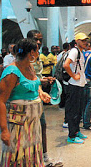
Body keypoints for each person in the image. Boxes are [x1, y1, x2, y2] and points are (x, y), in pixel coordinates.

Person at [0, 38, 51, 166]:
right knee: (17, 156)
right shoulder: (12, 72)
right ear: (31, 52)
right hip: (18, 124)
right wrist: (4, 130)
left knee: (32, 154)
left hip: (33, 123)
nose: (38, 54)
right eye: (37, 51)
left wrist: (41, 93)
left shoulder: (30, 67)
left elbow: (34, 83)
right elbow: (0, 101)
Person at [26, 30, 61, 167]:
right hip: (27, 99)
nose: (39, 42)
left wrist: (43, 80)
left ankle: (44, 158)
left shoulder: (38, 56)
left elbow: (35, 77)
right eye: (36, 39)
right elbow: (26, 78)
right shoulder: (24, 58)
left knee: (42, 126)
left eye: (40, 39)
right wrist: (40, 84)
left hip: (37, 97)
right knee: (32, 130)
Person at [63, 33, 88, 144]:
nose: (85, 42)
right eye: (82, 40)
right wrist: (74, 76)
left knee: (78, 111)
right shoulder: (74, 51)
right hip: (74, 85)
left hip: (79, 85)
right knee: (73, 112)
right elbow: (66, 65)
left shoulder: (80, 52)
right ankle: (71, 136)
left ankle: (77, 131)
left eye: (86, 40)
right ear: (77, 41)